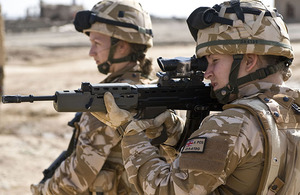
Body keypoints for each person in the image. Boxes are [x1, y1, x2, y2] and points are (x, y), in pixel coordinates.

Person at [91, 0, 300, 194]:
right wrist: (176, 134)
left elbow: (167, 188)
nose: (207, 73)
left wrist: (130, 134)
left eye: (215, 60)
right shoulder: (293, 109)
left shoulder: (231, 124)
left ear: (248, 61)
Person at [30, 0, 178, 194]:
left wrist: (42, 190)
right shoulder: (153, 89)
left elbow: (76, 178)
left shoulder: (110, 100)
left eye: (97, 43)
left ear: (122, 46)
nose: (91, 52)